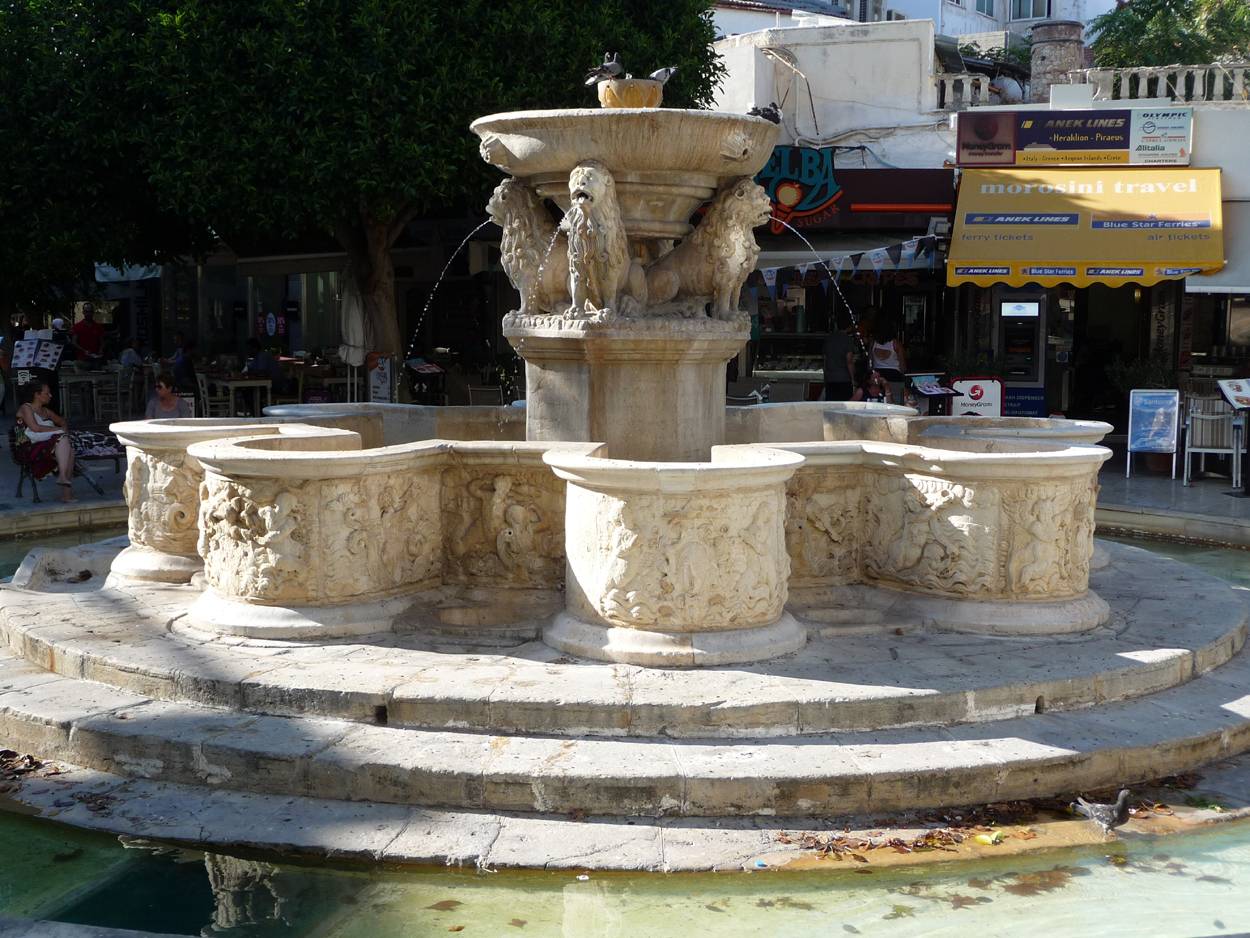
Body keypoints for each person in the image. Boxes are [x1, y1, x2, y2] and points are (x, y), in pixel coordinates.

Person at [15, 380, 76, 502]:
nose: (50, 396)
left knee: (69, 449)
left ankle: (64, 484)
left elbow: (62, 421)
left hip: (44, 444)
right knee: (64, 441)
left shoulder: (45, 411)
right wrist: (59, 430)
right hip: (28, 448)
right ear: (37, 395)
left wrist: (63, 427)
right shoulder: (26, 408)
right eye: (47, 393)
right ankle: (65, 489)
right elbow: (35, 428)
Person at [870, 317, 908, 405]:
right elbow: (903, 365)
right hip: (894, 376)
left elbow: (869, 364)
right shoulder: (897, 344)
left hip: (878, 375)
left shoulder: (872, 343)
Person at [821, 313, 857, 402]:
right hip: (844, 378)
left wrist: (825, 376)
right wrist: (853, 379)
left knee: (831, 405)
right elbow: (849, 361)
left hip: (830, 378)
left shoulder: (828, 339)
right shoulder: (848, 340)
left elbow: (825, 360)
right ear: (849, 326)